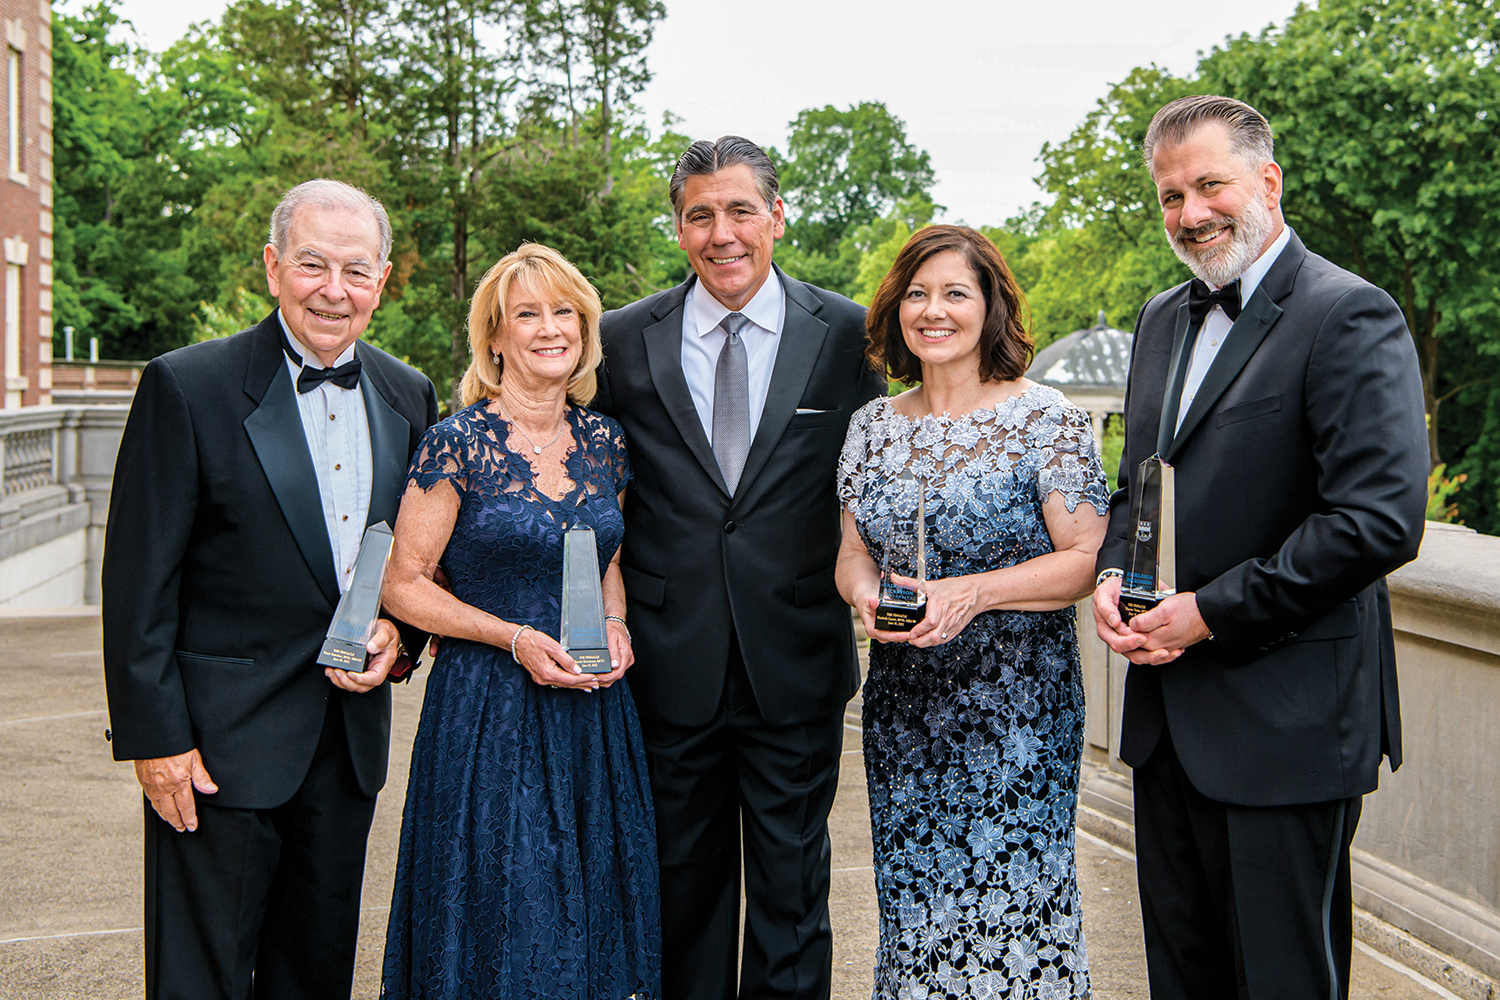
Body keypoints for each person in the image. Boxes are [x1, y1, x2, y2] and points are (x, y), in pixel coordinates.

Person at [1091, 95, 1429, 1000]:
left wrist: (1206, 613)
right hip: (1167, 728)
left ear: (1267, 181)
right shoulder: (1161, 318)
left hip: (1290, 728)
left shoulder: (1351, 313)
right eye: (1171, 196)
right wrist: (1115, 567)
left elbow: (1379, 520)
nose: (1190, 213)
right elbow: (1140, 484)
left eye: (1210, 185)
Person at [101, 178, 439, 1000]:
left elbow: (417, 568)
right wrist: (155, 741)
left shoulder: (410, 394)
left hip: (347, 743)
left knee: (315, 974)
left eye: (356, 270)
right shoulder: (185, 386)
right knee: (199, 980)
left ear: (383, 280)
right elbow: (138, 584)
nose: (334, 289)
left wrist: (403, 640)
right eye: (312, 264)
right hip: (214, 753)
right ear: (271, 267)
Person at [592, 135, 886, 1000]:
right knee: (679, 894)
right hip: (664, 661)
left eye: (740, 211)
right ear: (678, 227)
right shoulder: (619, 338)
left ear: (777, 216)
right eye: (700, 215)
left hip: (792, 660)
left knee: (793, 900)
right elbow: (582, 482)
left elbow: (886, 466)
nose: (722, 234)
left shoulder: (846, 334)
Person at [379, 243, 660, 999]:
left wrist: (617, 624)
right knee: (505, 899)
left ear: (585, 328)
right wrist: (510, 637)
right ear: (494, 338)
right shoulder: (456, 443)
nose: (549, 329)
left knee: (593, 902)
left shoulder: (606, 442)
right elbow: (403, 585)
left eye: (563, 312)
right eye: (525, 314)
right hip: (487, 713)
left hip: (592, 711)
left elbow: (607, 560)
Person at [834, 225, 1108, 999]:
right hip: (905, 710)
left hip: (1019, 713)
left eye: (956, 292)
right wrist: (863, 594)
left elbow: (1087, 559)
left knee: (1018, 914)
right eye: (917, 294)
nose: (934, 311)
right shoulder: (872, 427)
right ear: (896, 310)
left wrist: (973, 591)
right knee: (917, 915)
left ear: (991, 307)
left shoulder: (1046, 420)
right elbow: (851, 552)